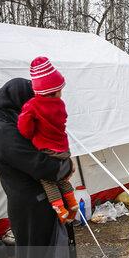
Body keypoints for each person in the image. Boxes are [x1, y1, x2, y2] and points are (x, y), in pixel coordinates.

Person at [0, 78, 84, 258]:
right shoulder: (4, 132)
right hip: (32, 208)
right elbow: (40, 165)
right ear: (19, 100)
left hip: (42, 204)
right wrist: (65, 167)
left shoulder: (14, 122)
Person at [18, 56, 78, 224]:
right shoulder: (60, 104)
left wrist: (32, 132)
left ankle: (60, 209)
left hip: (47, 150)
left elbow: (25, 129)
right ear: (55, 90)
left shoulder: (31, 105)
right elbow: (64, 119)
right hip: (63, 150)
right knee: (63, 178)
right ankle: (72, 203)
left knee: (49, 180)